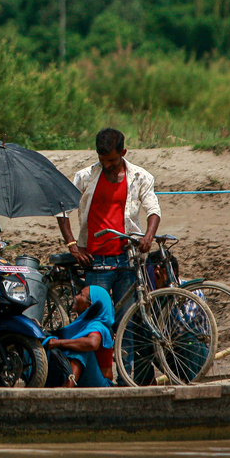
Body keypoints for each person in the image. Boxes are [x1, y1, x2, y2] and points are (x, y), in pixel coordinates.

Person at [56, 127, 161, 312]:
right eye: (102, 160)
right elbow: (62, 210)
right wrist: (72, 245)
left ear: (123, 153)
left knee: (126, 320)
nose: (106, 165)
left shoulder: (140, 177)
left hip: (127, 258)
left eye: (112, 160)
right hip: (94, 259)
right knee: (95, 318)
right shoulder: (85, 177)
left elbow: (153, 209)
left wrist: (148, 236)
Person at [46, 285, 116, 387]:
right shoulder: (83, 324)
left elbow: (92, 344)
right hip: (84, 378)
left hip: (101, 384)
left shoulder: (97, 326)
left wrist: (58, 343)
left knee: (82, 347)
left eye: (80, 295)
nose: (75, 297)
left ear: (89, 305)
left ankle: (67, 388)